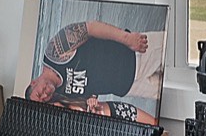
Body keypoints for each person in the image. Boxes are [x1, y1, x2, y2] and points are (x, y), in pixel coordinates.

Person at [24, 19, 162, 124]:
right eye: (43, 101)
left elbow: (90, 28)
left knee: (176, 53)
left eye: (38, 93)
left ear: (34, 82)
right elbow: (88, 98)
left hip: (134, 55)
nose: (44, 95)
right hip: (130, 87)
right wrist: (92, 101)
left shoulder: (55, 53)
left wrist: (127, 38)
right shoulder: (61, 97)